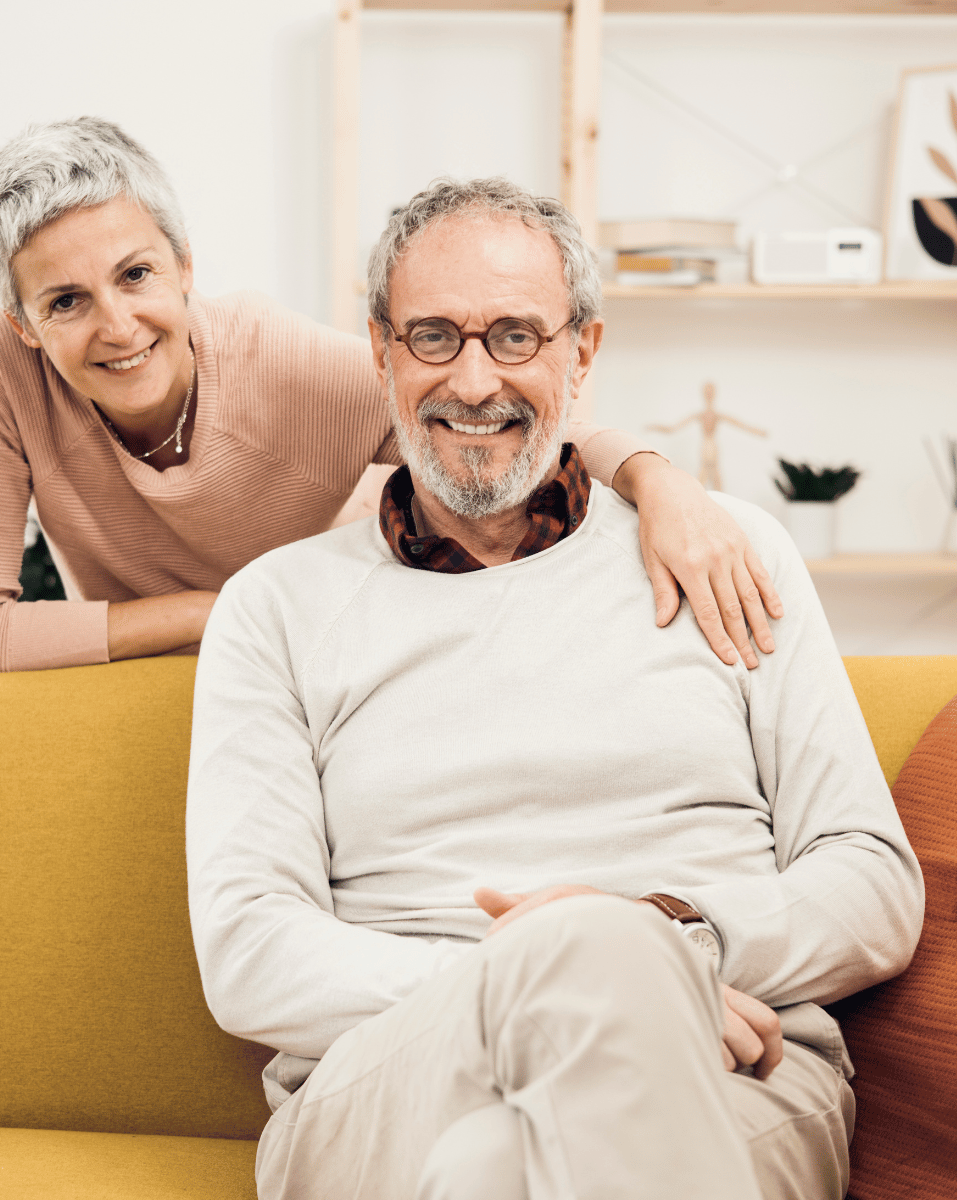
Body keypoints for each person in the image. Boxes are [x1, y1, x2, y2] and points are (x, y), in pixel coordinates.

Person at [185, 179, 924, 1199]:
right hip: (397, 1073)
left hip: (726, 1064)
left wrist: (662, 954)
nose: (475, 380)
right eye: (435, 337)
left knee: (500, 1171)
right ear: (381, 352)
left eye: (516, 337)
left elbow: (874, 889)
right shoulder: (275, 609)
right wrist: (566, 983)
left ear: (583, 351)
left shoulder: (727, 555)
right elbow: (250, 953)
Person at [0, 116, 782, 673]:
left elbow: (497, 408)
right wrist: (224, 612)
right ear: (24, 323)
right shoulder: (1, 368)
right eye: (66, 301)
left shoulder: (279, 364)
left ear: (185, 267)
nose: (117, 326)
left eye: (136, 274)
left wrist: (661, 480)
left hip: (322, 665)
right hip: (174, 673)